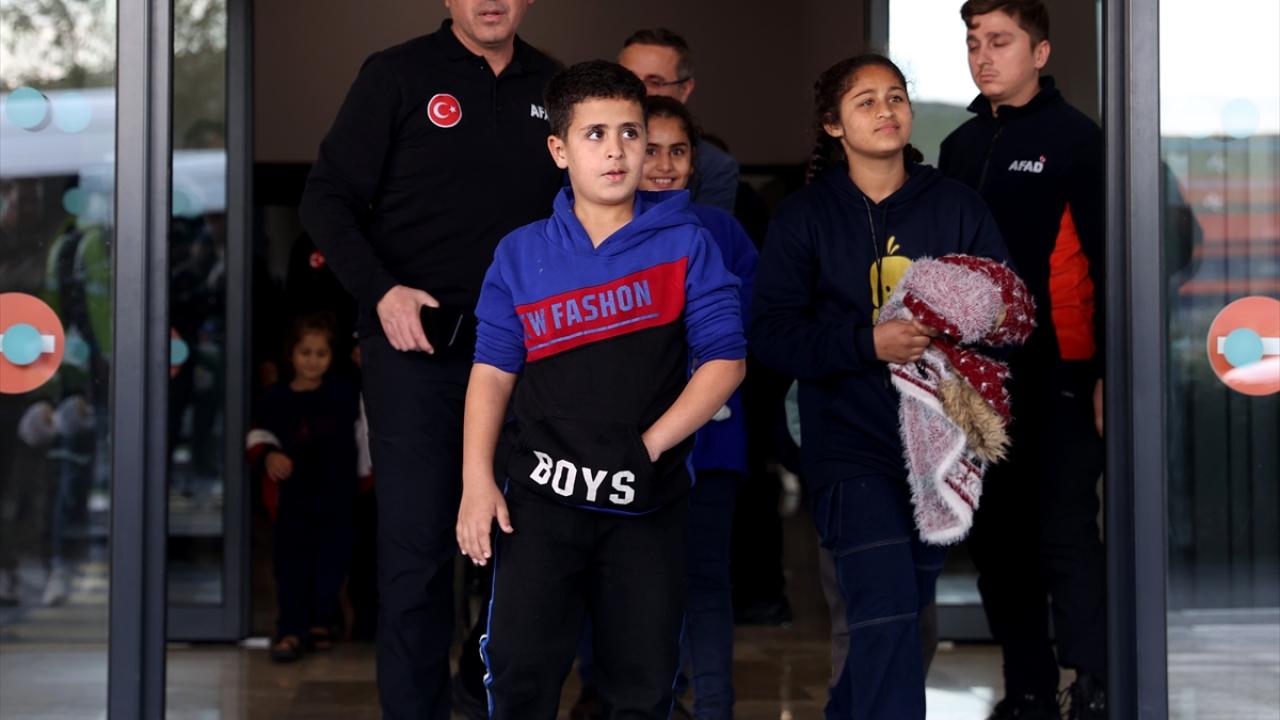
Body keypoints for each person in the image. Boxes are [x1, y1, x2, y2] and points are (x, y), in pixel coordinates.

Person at [454, 60, 746, 718]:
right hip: (538, 505)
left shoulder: (689, 244)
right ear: (559, 149)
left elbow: (726, 362)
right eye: (595, 135)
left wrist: (645, 450)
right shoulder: (519, 252)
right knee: (520, 677)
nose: (616, 151)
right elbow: (492, 372)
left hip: (647, 503)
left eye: (630, 133)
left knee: (642, 687)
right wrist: (476, 481)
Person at [297, 1, 562, 716]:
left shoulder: (555, 85)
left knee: (529, 553)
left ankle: (480, 696)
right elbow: (325, 198)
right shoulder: (397, 75)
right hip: (416, 355)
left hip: (528, 359)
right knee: (416, 559)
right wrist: (380, 291)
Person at [750, 54, 1012, 719]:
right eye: (865, 101)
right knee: (884, 606)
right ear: (833, 125)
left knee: (899, 617)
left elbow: (1005, 311)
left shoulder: (956, 205)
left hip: (941, 448)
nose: (886, 110)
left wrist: (961, 321)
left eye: (896, 96)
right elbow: (773, 335)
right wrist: (867, 342)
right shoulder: (804, 216)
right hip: (846, 441)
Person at [937, 2, 1107, 718]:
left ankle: (1094, 685)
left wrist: (1106, 375)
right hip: (980, 383)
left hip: (1062, 374)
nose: (983, 55)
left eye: (1000, 41)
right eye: (974, 42)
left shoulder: (1078, 140)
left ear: (1040, 52)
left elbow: (1113, 261)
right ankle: (1029, 690)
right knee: (1000, 546)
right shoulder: (959, 146)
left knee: (1065, 535)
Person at [247, 314, 360, 664]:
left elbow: (365, 438)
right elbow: (257, 436)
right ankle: (291, 630)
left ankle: (320, 623)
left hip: (336, 496)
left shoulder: (345, 394)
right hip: (292, 500)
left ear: (332, 356)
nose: (312, 360)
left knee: (331, 564)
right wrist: (269, 456)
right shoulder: (274, 398)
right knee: (290, 566)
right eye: (305, 352)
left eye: (321, 353)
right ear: (291, 354)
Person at [618, 28, 739, 212]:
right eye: (629, 80)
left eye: (655, 82)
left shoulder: (714, 166)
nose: (638, 91)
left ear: (685, 89)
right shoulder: (589, 151)